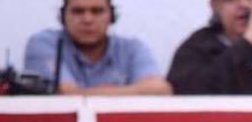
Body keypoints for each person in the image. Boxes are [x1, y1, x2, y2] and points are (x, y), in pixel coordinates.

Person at [22, 0, 171, 95]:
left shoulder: (132, 48)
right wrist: (132, 92)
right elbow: (66, 94)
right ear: (63, 17)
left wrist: (83, 93)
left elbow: (160, 90)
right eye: (78, 11)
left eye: (97, 11)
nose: (87, 19)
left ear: (111, 17)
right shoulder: (44, 44)